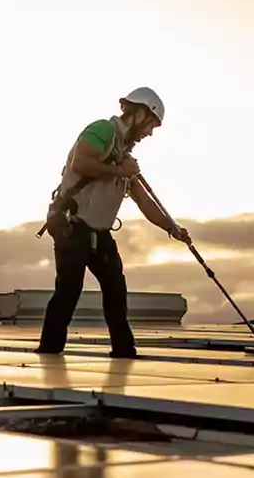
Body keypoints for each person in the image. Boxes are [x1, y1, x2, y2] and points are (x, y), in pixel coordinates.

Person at [35, 87, 191, 359]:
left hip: (99, 232)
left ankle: (124, 350)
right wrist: (121, 171)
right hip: (73, 226)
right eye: (150, 125)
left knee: (116, 291)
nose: (149, 133)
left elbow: (145, 203)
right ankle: (49, 350)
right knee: (69, 290)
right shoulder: (102, 131)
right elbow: (83, 163)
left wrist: (172, 228)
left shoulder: (125, 155)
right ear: (139, 113)